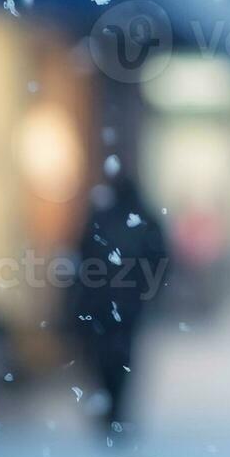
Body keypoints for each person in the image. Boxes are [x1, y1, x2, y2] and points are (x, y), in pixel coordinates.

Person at [70, 172, 169, 442]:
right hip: (127, 304)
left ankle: (111, 410)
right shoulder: (142, 219)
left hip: (103, 303)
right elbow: (161, 259)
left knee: (105, 358)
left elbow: (82, 256)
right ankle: (116, 410)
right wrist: (148, 290)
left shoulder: (102, 218)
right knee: (121, 358)